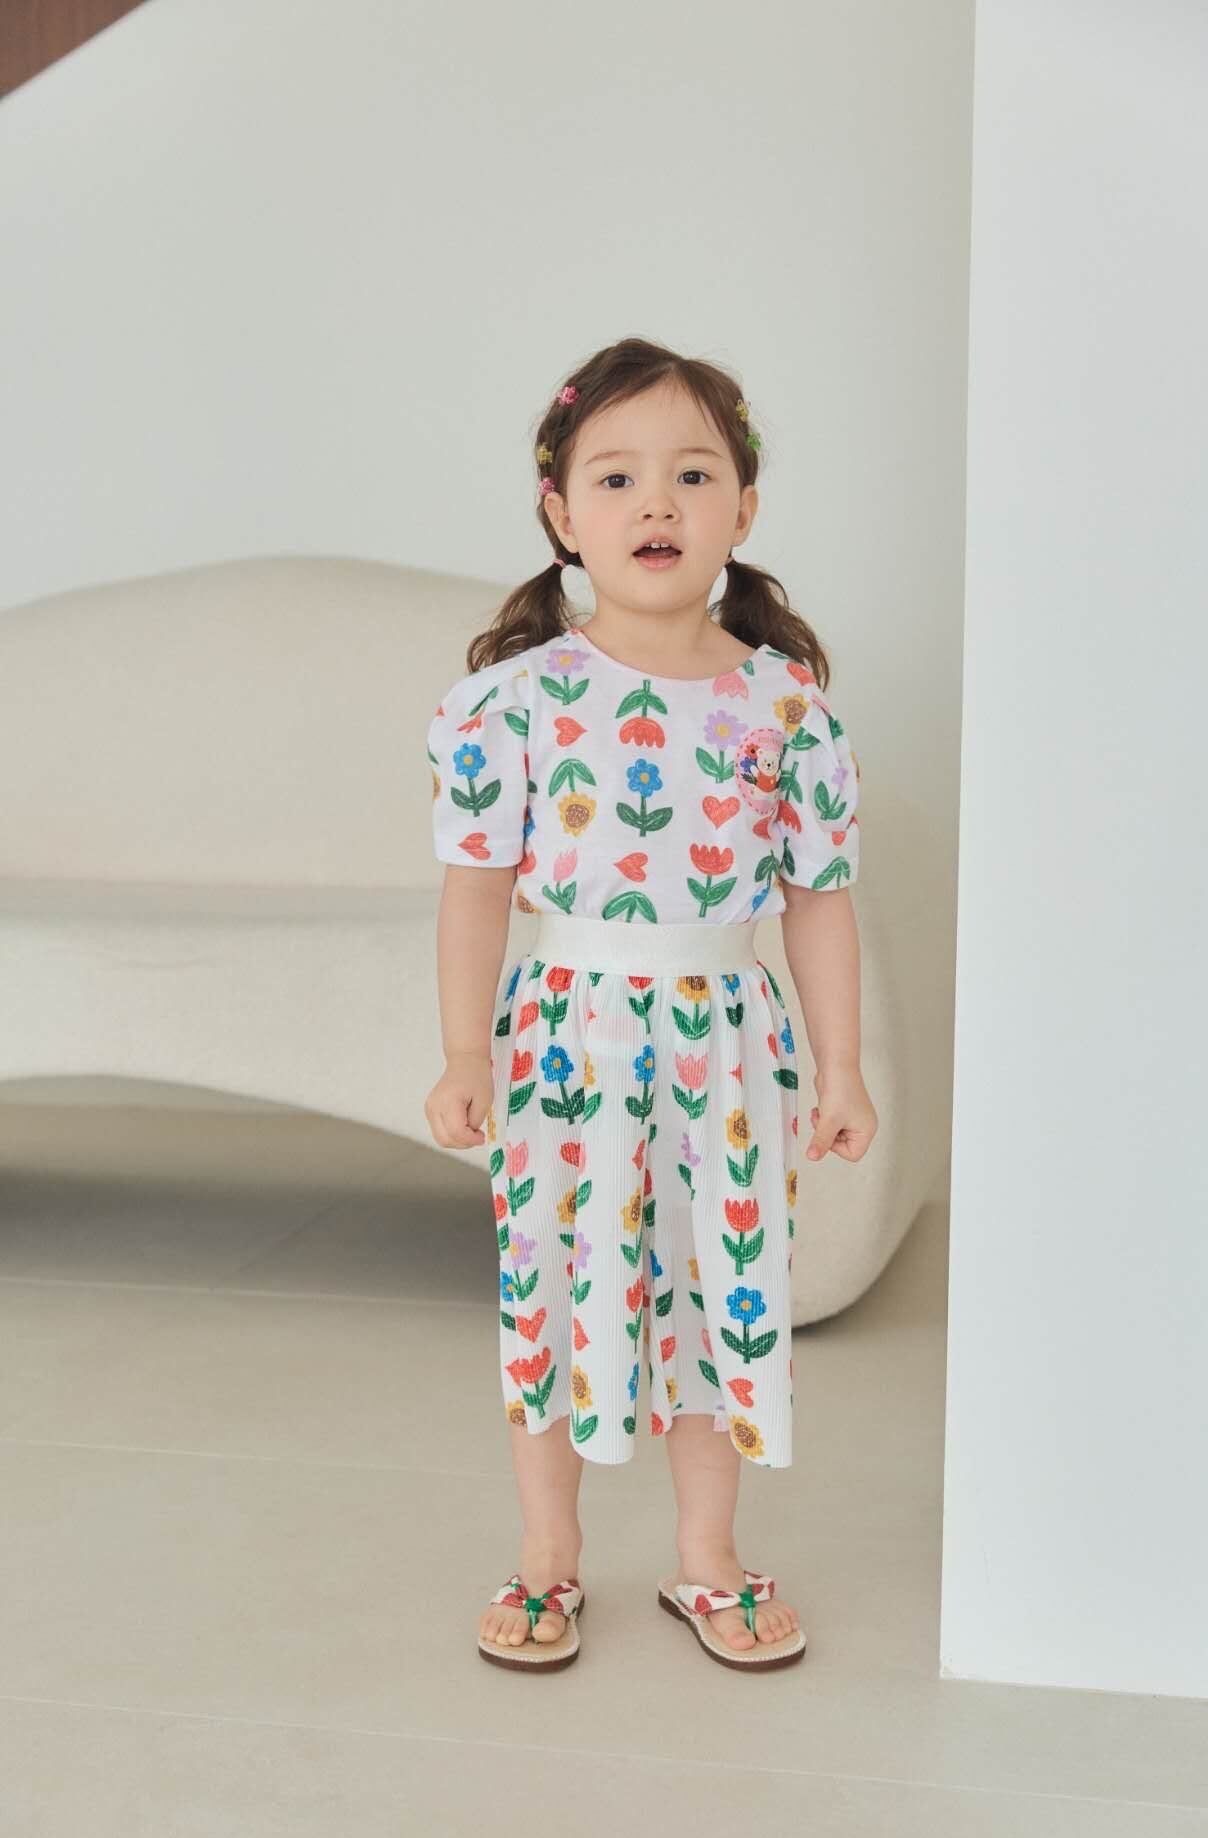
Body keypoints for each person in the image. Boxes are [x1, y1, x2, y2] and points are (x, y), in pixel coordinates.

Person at [424, 336, 878, 1672]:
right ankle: (547, 1556)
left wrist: (841, 1068)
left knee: (719, 1292)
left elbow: (819, 900)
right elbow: (473, 892)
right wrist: (463, 1053)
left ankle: (707, 1557)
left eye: (694, 473)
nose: (658, 503)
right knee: (552, 1291)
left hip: (727, 1048)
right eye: (616, 478)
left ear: (745, 506)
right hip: (566, 1044)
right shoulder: (512, 704)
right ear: (563, 515)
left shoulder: (786, 707)